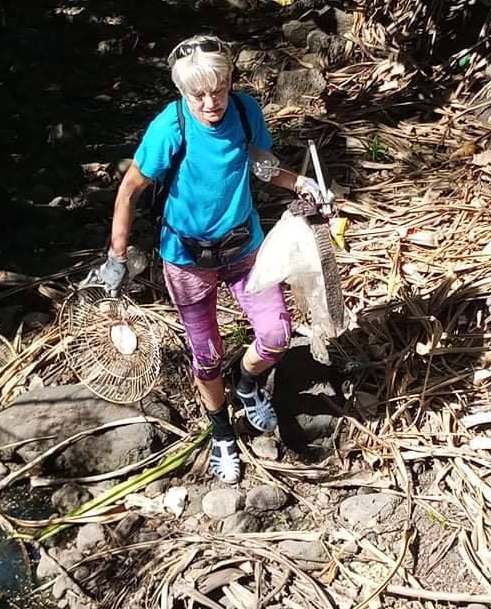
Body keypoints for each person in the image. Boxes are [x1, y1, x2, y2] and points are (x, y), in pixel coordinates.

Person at [89, 35, 330, 484]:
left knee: (276, 334)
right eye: (197, 94)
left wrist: (299, 183)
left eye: (217, 90)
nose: (209, 102)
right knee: (206, 356)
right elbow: (129, 190)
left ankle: (247, 383)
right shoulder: (171, 126)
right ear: (182, 92)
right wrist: (116, 257)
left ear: (229, 82)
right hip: (186, 259)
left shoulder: (244, 111)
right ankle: (222, 432)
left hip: (244, 247)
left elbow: (259, 163)